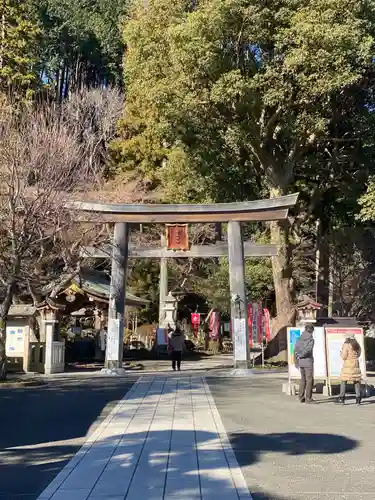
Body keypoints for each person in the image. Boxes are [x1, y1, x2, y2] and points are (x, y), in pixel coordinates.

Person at [336, 335, 362, 405]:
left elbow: (344, 356)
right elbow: (359, 354)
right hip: (356, 364)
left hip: (348, 365)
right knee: (356, 380)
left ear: (347, 338)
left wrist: (341, 353)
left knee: (343, 381)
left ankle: (341, 398)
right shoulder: (357, 344)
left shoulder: (346, 345)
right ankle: (358, 399)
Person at [294, 324, 315, 403]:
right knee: (309, 380)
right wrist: (302, 355)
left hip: (300, 362)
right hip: (308, 362)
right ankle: (308, 398)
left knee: (303, 379)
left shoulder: (299, 338)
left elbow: (295, 350)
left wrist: (297, 358)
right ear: (312, 330)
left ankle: (300, 397)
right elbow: (308, 350)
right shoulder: (311, 339)